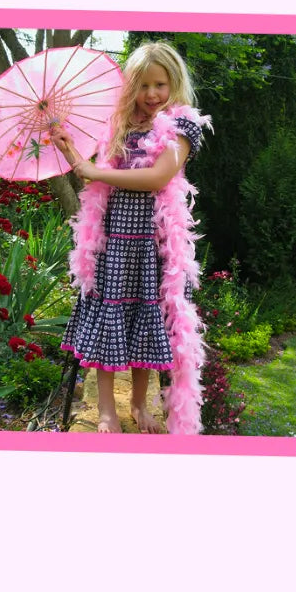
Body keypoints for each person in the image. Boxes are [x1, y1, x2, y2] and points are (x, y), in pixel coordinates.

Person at [52, 41, 213, 435]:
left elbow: (157, 176)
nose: (151, 95)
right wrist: (74, 154)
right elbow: (94, 176)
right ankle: (107, 407)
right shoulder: (120, 124)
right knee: (110, 313)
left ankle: (140, 404)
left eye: (160, 84)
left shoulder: (180, 126)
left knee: (147, 317)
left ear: (174, 83)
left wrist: (94, 172)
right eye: (142, 86)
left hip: (153, 243)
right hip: (113, 240)